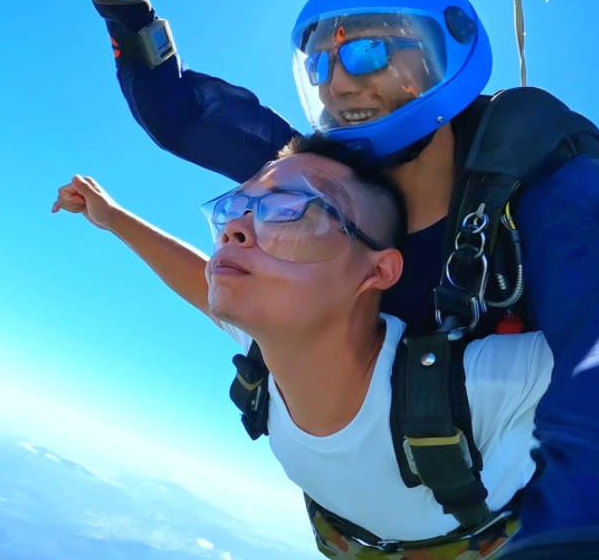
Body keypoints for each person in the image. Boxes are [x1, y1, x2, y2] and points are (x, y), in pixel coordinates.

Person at [63, 0, 599, 556]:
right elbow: (186, 118)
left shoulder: (534, 195)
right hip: (350, 533)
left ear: (446, 53)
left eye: (370, 50)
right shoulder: (317, 187)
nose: (339, 81)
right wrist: (124, 8)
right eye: (319, 61)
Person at [53, 138, 555, 558]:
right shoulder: (271, 352)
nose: (234, 229)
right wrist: (113, 217)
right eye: (239, 207)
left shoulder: (487, 386)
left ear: (377, 271)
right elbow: (195, 279)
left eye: (293, 210)